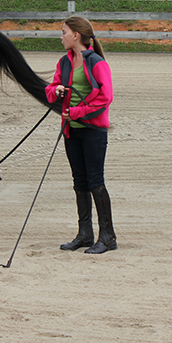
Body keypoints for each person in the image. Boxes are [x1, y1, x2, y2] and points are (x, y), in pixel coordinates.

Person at [45, 16, 117, 254]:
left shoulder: (96, 62)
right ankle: (85, 234)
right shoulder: (64, 62)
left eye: (64, 32)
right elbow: (51, 88)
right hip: (71, 130)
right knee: (80, 182)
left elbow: (105, 97)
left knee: (95, 181)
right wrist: (55, 90)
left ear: (76, 35)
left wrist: (77, 112)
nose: (61, 36)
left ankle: (107, 237)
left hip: (93, 131)